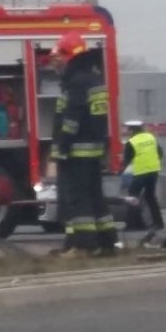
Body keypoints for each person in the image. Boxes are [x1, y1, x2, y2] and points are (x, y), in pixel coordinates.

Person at [49, 31, 118, 256]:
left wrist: (62, 148)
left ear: (69, 56)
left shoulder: (77, 83)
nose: (57, 64)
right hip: (93, 150)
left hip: (77, 152)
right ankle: (107, 241)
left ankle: (84, 246)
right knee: (96, 197)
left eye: (59, 58)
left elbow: (71, 121)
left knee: (80, 199)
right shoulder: (93, 79)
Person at [122, 120, 165, 242]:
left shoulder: (131, 142)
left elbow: (126, 161)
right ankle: (158, 222)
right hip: (154, 171)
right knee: (150, 196)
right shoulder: (150, 137)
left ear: (131, 130)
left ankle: (133, 223)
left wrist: (121, 171)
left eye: (127, 130)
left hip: (141, 172)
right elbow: (160, 152)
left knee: (132, 196)